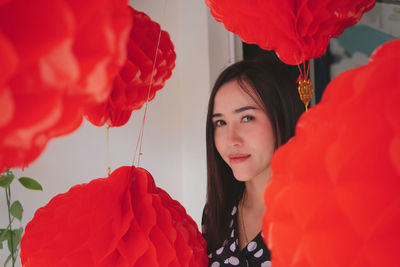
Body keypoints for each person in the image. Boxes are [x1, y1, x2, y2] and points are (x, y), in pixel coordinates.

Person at [202, 56, 304, 266]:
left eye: (246, 118)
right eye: (220, 122)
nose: (231, 140)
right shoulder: (216, 212)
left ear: (280, 116)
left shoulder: (316, 210)